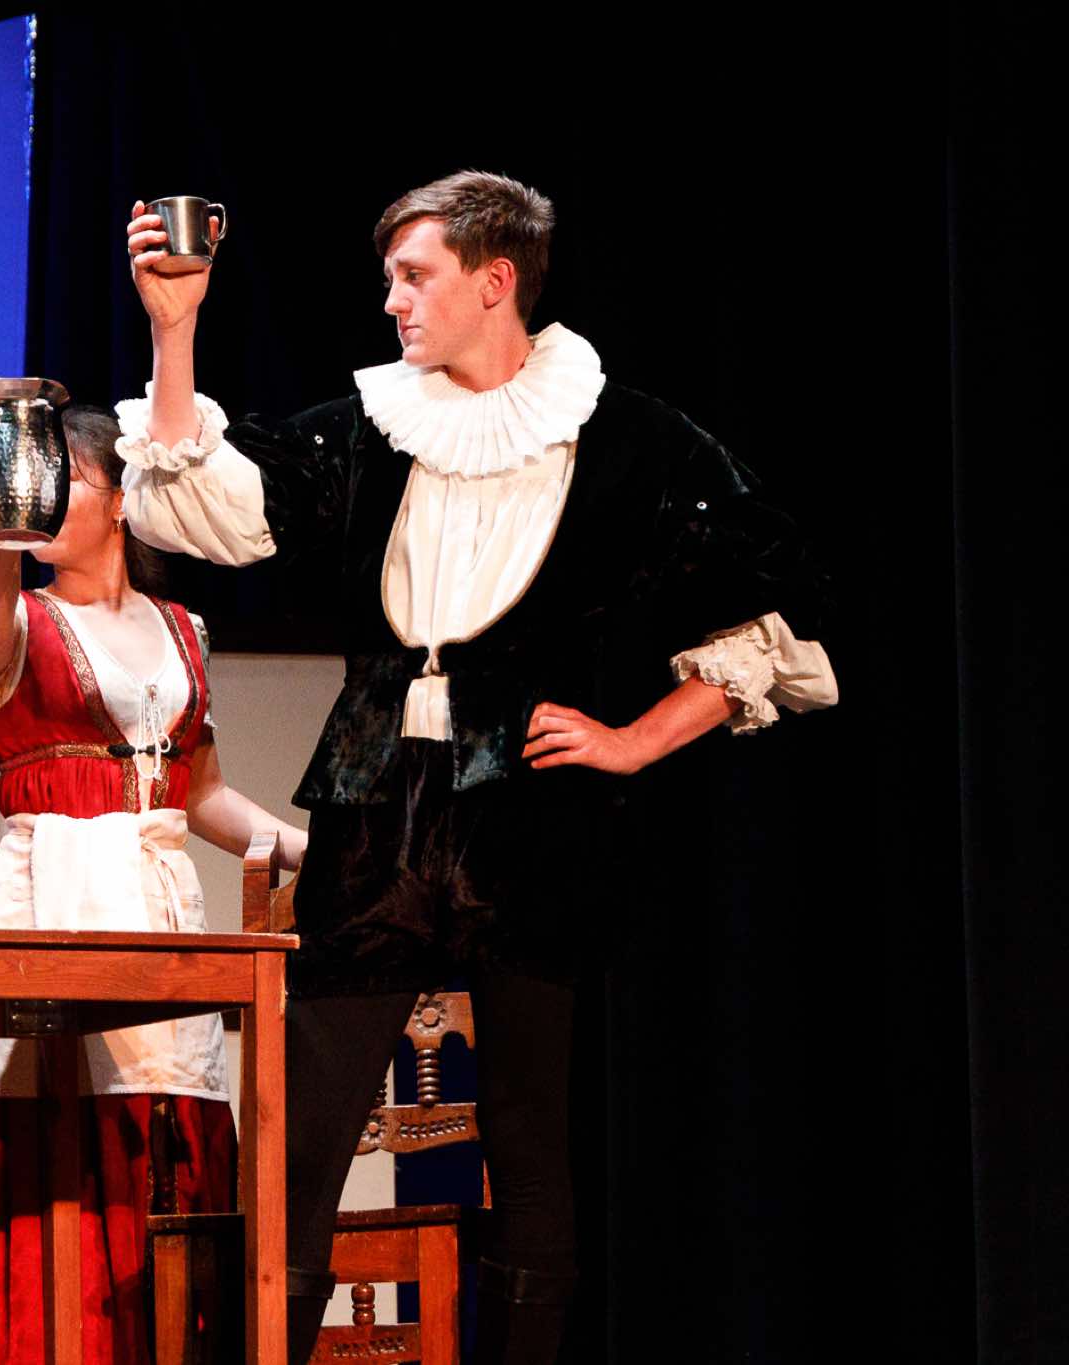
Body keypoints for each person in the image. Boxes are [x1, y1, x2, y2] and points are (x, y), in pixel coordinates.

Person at [115, 172, 839, 1363]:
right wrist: (174, 330)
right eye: (389, 279)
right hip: (374, 796)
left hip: (531, 810)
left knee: (526, 1138)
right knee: (303, 1137)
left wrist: (634, 738)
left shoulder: (627, 437)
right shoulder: (370, 424)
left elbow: (778, 593)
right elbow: (201, 506)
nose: (392, 301)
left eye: (415, 277)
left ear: (494, 281)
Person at [0, 404, 309, 1365]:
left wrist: (309, 848)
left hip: (156, 906)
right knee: (48, 1144)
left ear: (124, 498)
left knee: (161, 1131)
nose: (50, 502)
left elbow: (201, 794)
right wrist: (3, 515)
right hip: (48, 907)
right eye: (39, 484)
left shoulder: (183, 630)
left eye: (68, 482)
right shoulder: (16, 617)